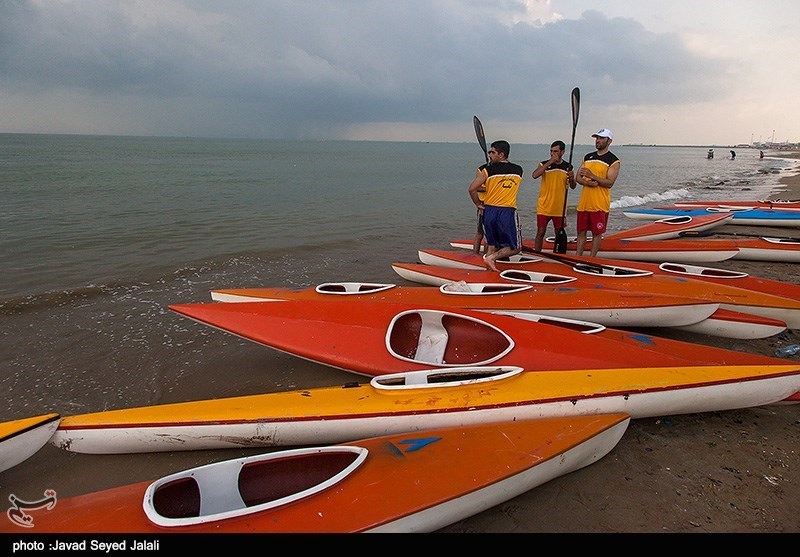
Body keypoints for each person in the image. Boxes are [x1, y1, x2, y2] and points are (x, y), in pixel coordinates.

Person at [468, 140, 524, 271]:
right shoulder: (518, 170)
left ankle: (489, 270)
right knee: (516, 247)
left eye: (492, 152)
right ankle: (492, 259)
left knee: (491, 245)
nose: (490, 155)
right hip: (506, 212)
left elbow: (472, 189)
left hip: (489, 212)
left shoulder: (487, 170)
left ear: (501, 154)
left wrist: (477, 203)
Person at [575, 128, 621, 257]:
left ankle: (591, 259)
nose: (598, 140)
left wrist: (592, 176)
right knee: (581, 232)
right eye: (597, 138)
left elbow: (610, 183)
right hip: (584, 203)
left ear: (609, 141)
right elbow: (578, 178)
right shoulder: (588, 157)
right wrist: (587, 183)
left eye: (601, 138)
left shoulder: (613, 161)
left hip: (599, 204)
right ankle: (578, 257)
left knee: (596, 233)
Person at [531, 140, 576, 252]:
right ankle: (537, 253)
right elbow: (534, 175)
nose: (552, 153)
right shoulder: (544, 164)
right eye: (551, 151)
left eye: (555, 151)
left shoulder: (568, 166)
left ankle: (558, 253)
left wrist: (571, 178)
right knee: (540, 232)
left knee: (558, 233)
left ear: (562, 152)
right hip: (544, 206)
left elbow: (573, 186)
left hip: (559, 208)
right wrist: (550, 162)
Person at [472, 184, 486, 254]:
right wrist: (491, 189)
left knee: (491, 235)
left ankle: (488, 255)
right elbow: (475, 188)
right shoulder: (483, 174)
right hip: (484, 206)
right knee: (480, 233)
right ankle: (475, 254)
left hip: (496, 205)